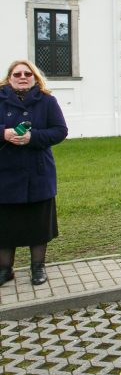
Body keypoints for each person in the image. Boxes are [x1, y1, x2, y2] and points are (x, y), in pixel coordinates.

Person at [0, 60, 68, 286]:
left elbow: (60, 131)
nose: (22, 76)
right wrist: (5, 133)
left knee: (38, 225)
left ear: (35, 77)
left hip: (37, 172)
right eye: (17, 73)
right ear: (9, 78)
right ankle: (5, 269)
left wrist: (32, 138)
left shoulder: (47, 101)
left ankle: (38, 268)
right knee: (5, 224)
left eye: (27, 73)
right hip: (5, 174)